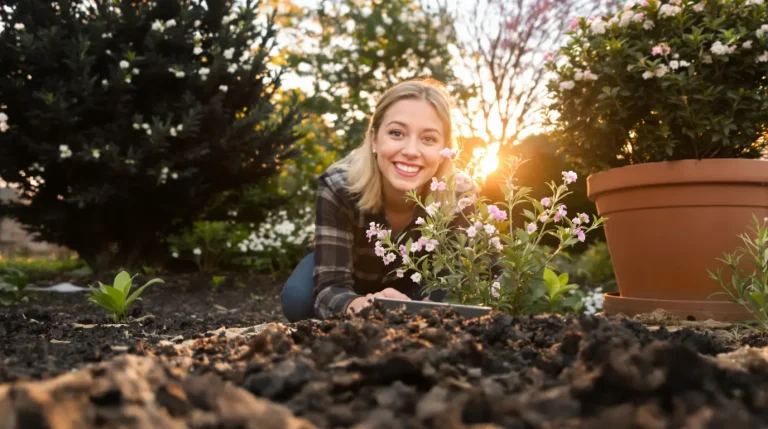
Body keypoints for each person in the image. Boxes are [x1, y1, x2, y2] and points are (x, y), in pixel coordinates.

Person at [280, 78, 469, 322]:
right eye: (396, 133)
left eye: (428, 139)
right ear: (374, 139)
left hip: (419, 285)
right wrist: (364, 305)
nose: (411, 151)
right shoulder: (339, 186)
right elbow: (331, 285)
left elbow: (460, 280)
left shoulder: (458, 194)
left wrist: (426, 311)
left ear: (445, 150)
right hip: (351, 275)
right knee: (298, 299)